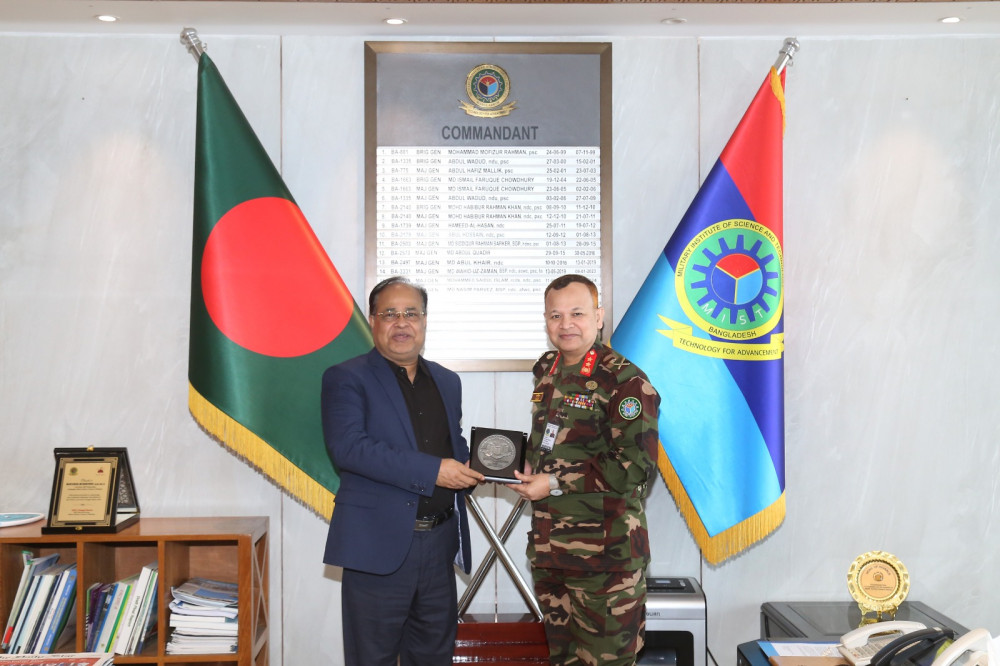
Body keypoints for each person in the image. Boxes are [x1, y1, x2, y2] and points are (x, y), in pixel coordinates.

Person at [321, 276, 485, 666]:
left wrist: (490, 467)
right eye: (389, 313)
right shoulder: (346, 377)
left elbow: (453, 447)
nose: (401, 323)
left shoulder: (447, 381)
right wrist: (434, 472)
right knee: (371, 658)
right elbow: (349, 448)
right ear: (373, 321)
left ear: (424, 321)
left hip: (439, 545)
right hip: (377, 548)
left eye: (411, 313)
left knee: (433, 657)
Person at [507, 274, 661, 666]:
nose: (566, 324)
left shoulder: (624, 381)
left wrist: (554, 481)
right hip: (551, 552)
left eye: (577, 313)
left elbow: (635, 467)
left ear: (599, 316)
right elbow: (551, 443)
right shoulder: (548, 369)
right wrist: (523, 463)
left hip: (606, 561)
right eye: (555, 315)